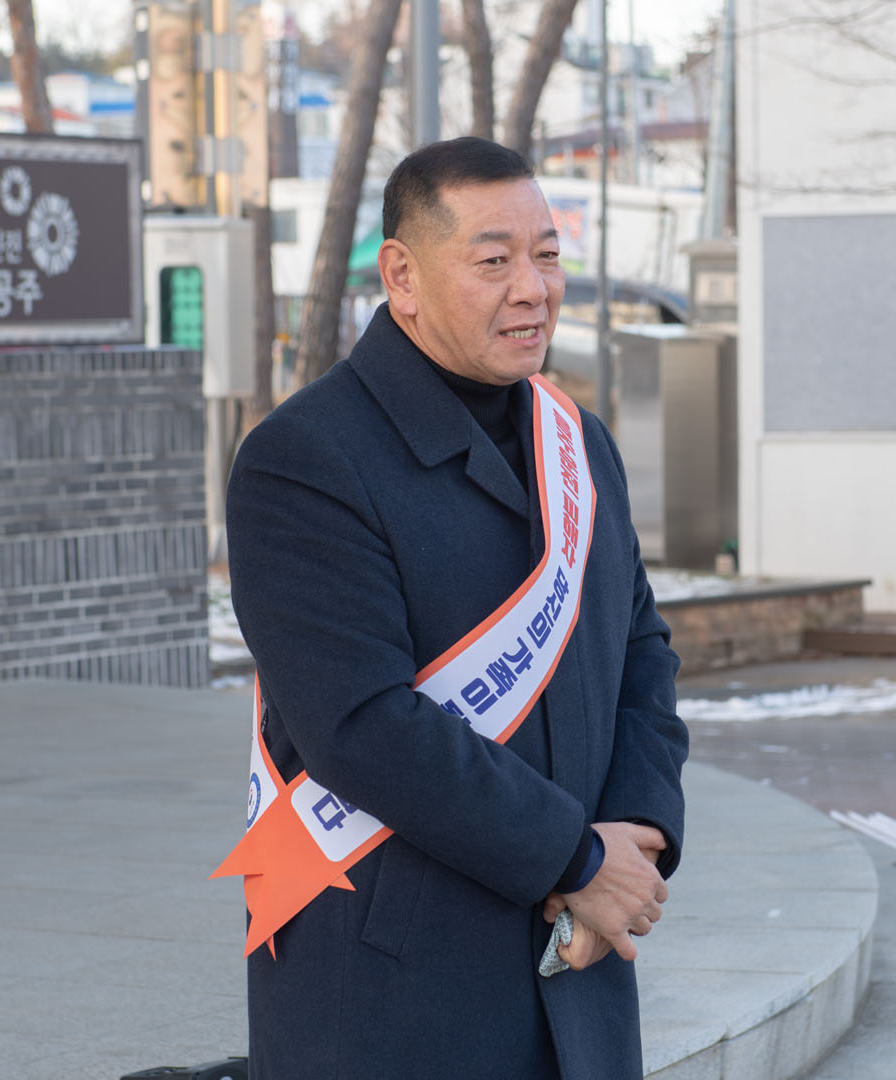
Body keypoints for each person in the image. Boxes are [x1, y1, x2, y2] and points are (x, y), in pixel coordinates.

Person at [223, 137, 689, 1079]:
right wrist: (575, 861)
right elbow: (361, 725)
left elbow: (641, 648)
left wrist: (637, 835)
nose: (533, 289)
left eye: (546, 255)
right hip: (397, 985)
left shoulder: (576, 443)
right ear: (402, 275)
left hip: (581, 965)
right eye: (493, 261)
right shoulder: (305, 458)